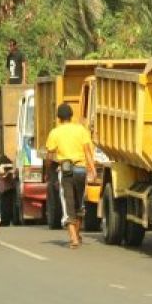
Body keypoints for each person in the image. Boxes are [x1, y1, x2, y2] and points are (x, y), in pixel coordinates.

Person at [43, 102, 96, 248]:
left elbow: (49, 155)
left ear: (58, 118)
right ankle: (76, 233)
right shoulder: (81, 130)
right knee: (79, 204)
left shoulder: (55, 132)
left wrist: (48, 172)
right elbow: (87, 151)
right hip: (81, 171)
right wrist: (93, 169)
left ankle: (73, 239)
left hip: (66, 172)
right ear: (71, 116)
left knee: (68, 204)